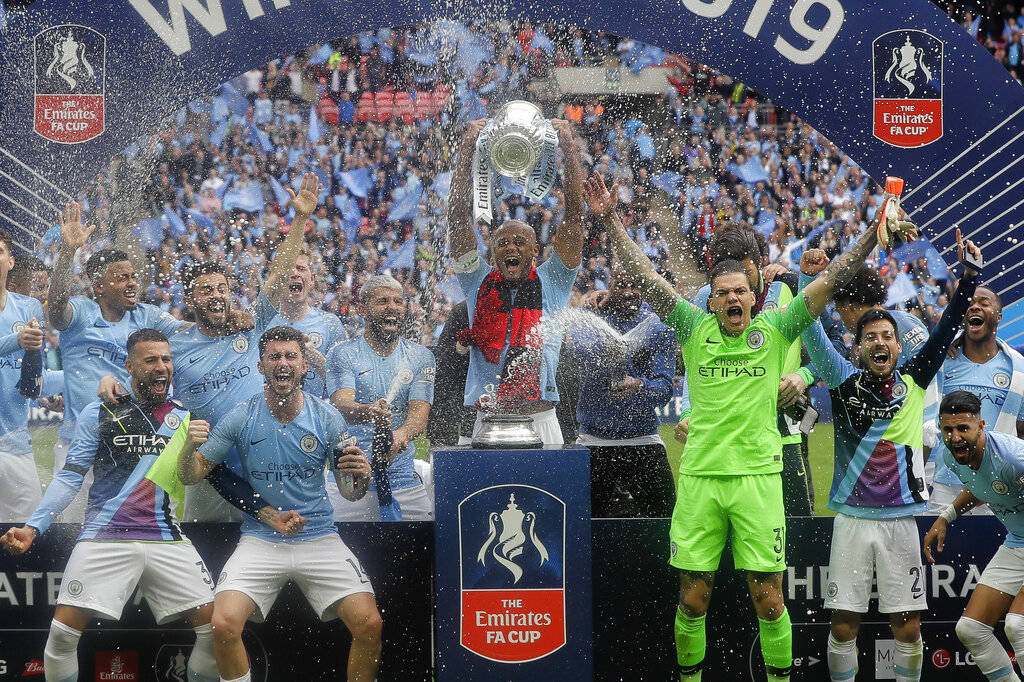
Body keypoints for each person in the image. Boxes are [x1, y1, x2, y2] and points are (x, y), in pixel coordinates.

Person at [590, 171, 881, 682]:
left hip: (758, 480)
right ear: (711, 299)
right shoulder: (691, 326)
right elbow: (647, 278)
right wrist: (611, 220)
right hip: (701, 480)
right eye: (723, 292)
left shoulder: (776, 327)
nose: (732, 299)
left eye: (741, 292)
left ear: (754, 296)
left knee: (769, 599)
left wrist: (873, 235)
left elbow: (832, 279)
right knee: (693, 597)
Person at [799, 230, 981, 682]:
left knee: (909, 627)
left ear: (898, 346)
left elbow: (944, 330)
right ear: (858, 347)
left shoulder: (914, 381)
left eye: (887, 336)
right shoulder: (840, 379)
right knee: (844, 624)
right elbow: (807, 323)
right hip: (853, 521)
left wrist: (969, 277)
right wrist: (814, 278)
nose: (880, 343)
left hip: (902, 520)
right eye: (871, 337)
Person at [98, 173, 327, 521]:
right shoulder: (176, 339)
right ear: (190, 299)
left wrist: (300, 220)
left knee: (273, 537)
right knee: (206, 547)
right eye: (206, 291)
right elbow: (145, 361)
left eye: (222, 289)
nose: (217, 295)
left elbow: (278, 275)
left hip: (262, 460)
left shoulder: (252, 323)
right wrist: (109, 379)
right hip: (207, 465)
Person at [0, 329, 225, 682]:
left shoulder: (185, 416)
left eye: (166, 359)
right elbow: (71, 476)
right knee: (61, 634)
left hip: (167, 536)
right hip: (104, 535)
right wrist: (33, 527)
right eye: (150, 360)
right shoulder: (100, 410)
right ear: (130, 366)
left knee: (217, 631)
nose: (161, 366)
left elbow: (190, 474)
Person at [176, 326, 382, 682]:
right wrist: (187, 448)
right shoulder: (241, 416)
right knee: (223, 624)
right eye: (274, 357)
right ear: (260, 366)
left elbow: (351, 492)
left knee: (370, 625)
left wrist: (361, 475)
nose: (282, 363)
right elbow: (192, 475)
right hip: (261, 538)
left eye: (290, 356)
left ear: (304, 366)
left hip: (319, 536)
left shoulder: (326, 416)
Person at [446, 118, 584, 444]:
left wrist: (567, 144)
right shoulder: (477, 281)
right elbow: (456, 215)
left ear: (535, 250)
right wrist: (467, 146)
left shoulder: (554, 280)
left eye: (520, 242)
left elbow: (576, 215)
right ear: (492, 254)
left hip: (542, 419)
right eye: (503, 243)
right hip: (486, 420)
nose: (511, 247)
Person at [47, 202, 183, 520]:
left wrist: (227, 320)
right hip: (79, 442)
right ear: (100, 286)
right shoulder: (81, 311)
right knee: (72, 528)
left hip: (132, 442)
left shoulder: (147, 316)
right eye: (121, 278)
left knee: (132, 527)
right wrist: (67, 253)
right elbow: (55, 310)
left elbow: (189, 334)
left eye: (133, 276)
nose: (131, 282)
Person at [688, 225, 818, 515]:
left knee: (796, 522)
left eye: (748, 273)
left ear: (760, 262)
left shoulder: (789, 287)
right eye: (730, 282)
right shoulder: (706, 299)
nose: (741, 287)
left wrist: (803, 376)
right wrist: (687, 413)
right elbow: (693, 366)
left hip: (787, 423)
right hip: (726, 433)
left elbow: (831, 346)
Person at [923, 390, 1024, 682]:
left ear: (981, 427)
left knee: (1018, 626)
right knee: (971, 629)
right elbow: (981, 487)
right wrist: (946, 516)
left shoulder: (1013, 460)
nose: (955, 437)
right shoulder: (951, 457)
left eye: (963, 428)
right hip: (1017, 542)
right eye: (947, 429)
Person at [567, 262, 677, 517]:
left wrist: (639, 385)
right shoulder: (591, 317)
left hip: (643, 438)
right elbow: (579, 354)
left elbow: (663, 390)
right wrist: (605, 352)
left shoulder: (657, 326)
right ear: (609, 287)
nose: (629, 292)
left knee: (666, 524)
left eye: (635, 285)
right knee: (585, 528)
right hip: (594, 440)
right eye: (622, 285)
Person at [326, 274, 435, 521]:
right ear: (363, 309)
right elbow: (342, 404)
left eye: (398, 302)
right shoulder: (343, 353)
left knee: (423, 552)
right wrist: (369, 412)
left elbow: (419, 415)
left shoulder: (420, 356)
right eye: (383, 301)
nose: (392, 308)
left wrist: (401, 435)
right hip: (349, 484)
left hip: (403, 483)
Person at [924, 285, 1024, 513]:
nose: (975, 306)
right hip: (945, 484)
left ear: (998, 317)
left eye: (984, 303)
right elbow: (925, 428)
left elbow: (1021, 430)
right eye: (969, 303)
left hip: (998, 484)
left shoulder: (1017, 368)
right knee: (943, 547)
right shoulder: (942, 361)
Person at [0, 229, 63, 521]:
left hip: (16, 442)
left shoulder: (27, 308)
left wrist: (72, 386)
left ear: (10, 261)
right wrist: (17, 340)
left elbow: (30, 381)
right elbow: (18, 345)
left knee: (28, 529)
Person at [268, 247, 348, 397]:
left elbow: (345, 385)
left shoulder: (331, 323)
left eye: (301, 268)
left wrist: (315, 358)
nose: (295, 273)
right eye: (288, 269)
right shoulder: (262, 323)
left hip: (316, 417)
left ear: (311, 279)